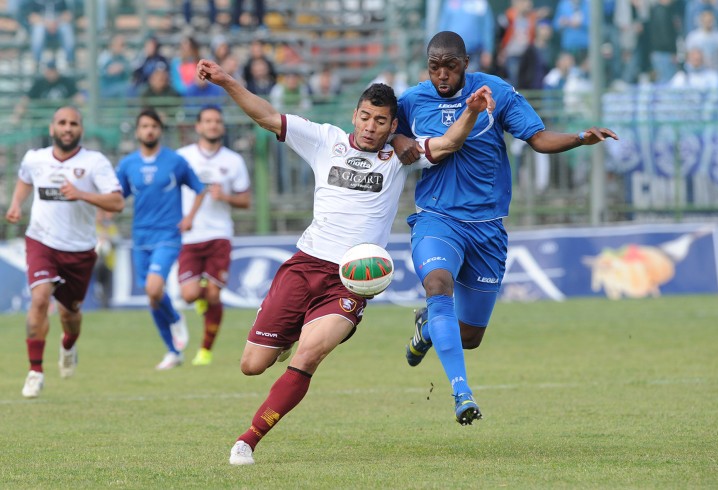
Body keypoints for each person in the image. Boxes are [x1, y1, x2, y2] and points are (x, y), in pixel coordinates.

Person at [196, 57, 493, 465]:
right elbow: (266, 115)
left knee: (309, 356)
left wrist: (472, 112)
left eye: (381, 121)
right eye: (366, 117)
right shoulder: (324, 139)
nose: (371, 127)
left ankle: (247, 439)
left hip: (350, 282)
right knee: (252, 365)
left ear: (393, 126)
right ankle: (286, 338)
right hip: (304, 266)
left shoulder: (399, 157)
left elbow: (447, 144)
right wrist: (227, 80)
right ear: (355, 115)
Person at [392, 31, 618, 425]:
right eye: (434, 66)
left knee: (470, 337)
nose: (441, 75)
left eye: (449, 66)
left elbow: (538, 138)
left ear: (466, 62)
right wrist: (397, 139)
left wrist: (580, 137)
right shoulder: (412, 100)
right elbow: (386, 131)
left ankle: (428, 328)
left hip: (487, 228)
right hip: (437, 218)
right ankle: (462, 395)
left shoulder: (495, 92)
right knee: (437, 285)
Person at [4, 106, 124, 398]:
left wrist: (82, 193)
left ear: (80, 129)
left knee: (70, 313)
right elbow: (24, 178)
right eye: (62, 123)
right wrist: (17, 203)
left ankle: (68, 344)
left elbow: (117, 203)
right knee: (40, 298)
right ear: (52, 128)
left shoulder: (94, 162)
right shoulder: (35, 158)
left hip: (79, 250)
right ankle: (35, 371)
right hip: (41, 242)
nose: (67, 128)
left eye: (73, 123)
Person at [115, 108, 207, 370]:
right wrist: (102, 213)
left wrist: (189, 217)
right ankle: (172, 351)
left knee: (154, 288)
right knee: (152, 297)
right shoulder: (128, 164)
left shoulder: (174, 161)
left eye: (153, 126)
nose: (149, 130)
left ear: (159, 130)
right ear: (137, 131)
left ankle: (176, 318)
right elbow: (116, 196)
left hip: (167, 234)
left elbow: (200, 189)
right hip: (139, 235)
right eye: (144, 126)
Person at [176, 106, 251, 366]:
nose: (212, 125)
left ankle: (205, 351)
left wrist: (226, 196)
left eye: (217, 121)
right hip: (189, 236)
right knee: (189, 294)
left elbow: (246, 200)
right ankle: (201, 297)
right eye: (207, 121)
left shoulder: (233, 161)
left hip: (219, 235)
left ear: (222, 127)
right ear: (198, 127)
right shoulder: (182, 157)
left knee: (214, 296)